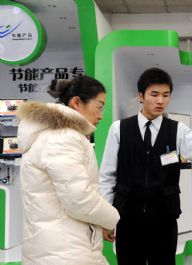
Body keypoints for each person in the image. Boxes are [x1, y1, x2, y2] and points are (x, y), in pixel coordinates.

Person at [99, 67, 192, 265]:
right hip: (128, 218)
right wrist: (106, 217)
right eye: (154, 94)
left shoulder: (178, 130)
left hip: (164, 219)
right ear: (141, 95)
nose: (160, 101)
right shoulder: (119, 129)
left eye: (166, 95)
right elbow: (107, 175)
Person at [17, 76, 120, 265]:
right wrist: (112, 219)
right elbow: (79, 199)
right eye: (99, 106)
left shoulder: (47, 136)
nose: (101, 115)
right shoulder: (64, 138)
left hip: (53, 247)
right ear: (77, 103)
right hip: (67, 251)